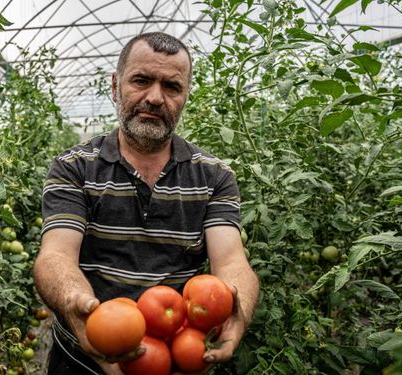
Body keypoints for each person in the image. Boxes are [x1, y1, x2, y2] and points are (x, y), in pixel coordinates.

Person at [33, 32, 259, 375]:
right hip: (82, 359)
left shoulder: (214, 176)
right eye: (141, 80)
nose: (155, 98)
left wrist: (238, 309)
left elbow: (231, 261)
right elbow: (55, 256)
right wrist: (76, 304)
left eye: (171, 86)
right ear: (115, 85)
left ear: (185, 96)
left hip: (174, 360)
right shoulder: (74, 167)